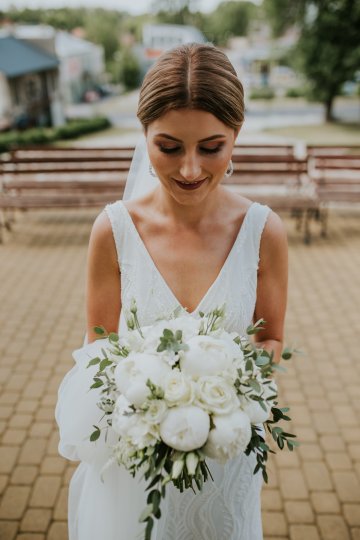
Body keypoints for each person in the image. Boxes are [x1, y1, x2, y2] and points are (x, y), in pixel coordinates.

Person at [56, 42, 288, 540]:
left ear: (236, 136)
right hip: (136, 465)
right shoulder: (113, 230)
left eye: (211, 147)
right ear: (144, 137)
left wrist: (227, 396)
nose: (189, 170)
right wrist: (151, 405)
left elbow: (270, 339)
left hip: (225, 463)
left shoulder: (264, 232)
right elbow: (99, 346)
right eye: (168, 147)